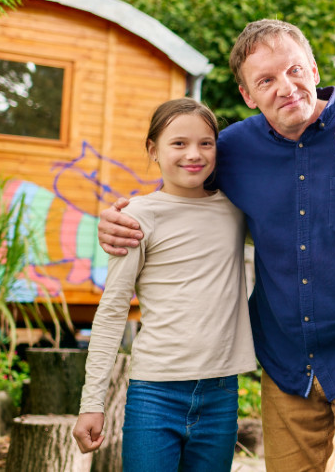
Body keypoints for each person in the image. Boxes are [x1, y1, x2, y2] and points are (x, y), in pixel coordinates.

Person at [96, 19, 335, 471]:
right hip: (284, 363)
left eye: (295, 70)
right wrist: (120, 218)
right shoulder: (231, 149)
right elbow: (178, 193)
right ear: (248, 95)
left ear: (315, 70)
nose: (286, 87)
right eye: (266, 80)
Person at [72, 98, 256, 471]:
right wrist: (92, 402)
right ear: (153, 150)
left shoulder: (236, 211)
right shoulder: (137, 216)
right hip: (155, 393)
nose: (194, 154)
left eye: (206, 143)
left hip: (221, 394)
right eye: (179, 143)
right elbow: (112, 312)